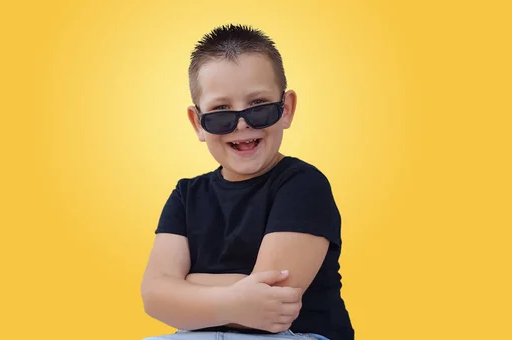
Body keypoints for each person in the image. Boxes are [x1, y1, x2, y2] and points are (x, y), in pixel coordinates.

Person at [141, 24, 354, 340]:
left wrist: (184, 287)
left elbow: (271, 305)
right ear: (197, 123)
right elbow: (154, 297)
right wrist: (237, 296)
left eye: (258, 106)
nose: (241, 124)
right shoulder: (186, 195)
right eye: (221, 111)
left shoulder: (303, 185)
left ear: (286, 109)